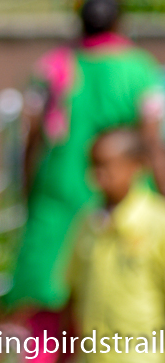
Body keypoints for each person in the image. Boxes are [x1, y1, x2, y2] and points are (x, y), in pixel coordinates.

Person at [5, 0, 165, 318]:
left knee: (49, 313)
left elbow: (31, 135)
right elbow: (151, 140)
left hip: (58, 195)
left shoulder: (53, 67)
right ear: (121, 24)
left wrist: (27, 187)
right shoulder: (141, 71)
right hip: (122, 202)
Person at [68, 128, 165, 363]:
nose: (98, 175)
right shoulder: (89, 221)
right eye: (93, 166)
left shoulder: (156, 222)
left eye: (106, 166)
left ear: (135, 165)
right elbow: (75, 289)